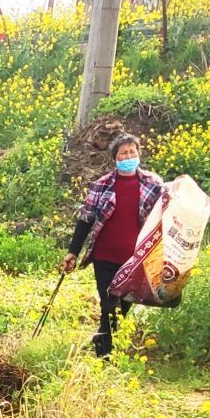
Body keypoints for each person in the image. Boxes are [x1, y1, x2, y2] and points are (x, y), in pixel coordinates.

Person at [61, 134, 162, 357]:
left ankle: (102, 341)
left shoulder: (154, 184)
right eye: (123, 153)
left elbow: (166, 216)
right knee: (109, 306)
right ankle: (105, 356)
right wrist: (73, 252)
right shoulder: (101, 185)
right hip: (105, 256)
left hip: (135, 259)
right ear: (114, 158)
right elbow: (85, 220)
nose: (129, 156)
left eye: (132, 152)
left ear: (139, 154)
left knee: (123, 308)